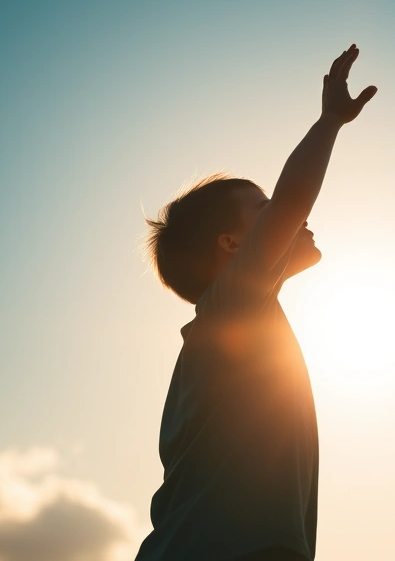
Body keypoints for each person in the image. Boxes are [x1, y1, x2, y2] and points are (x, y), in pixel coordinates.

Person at [135, 44, 377, 561]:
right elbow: (294, 199)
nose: (290, 218)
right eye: (264, 210)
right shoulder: (229, 314)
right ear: (232, 245)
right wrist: (329, 122)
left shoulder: (235, 327)